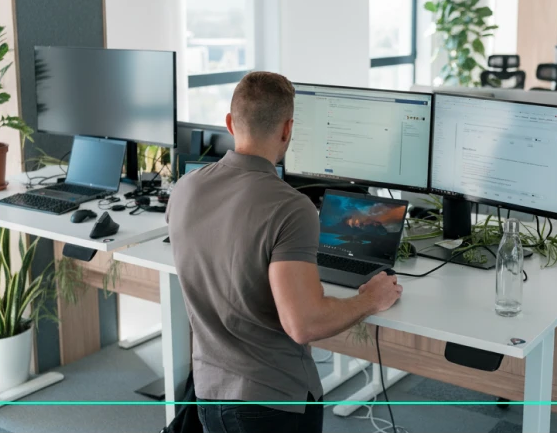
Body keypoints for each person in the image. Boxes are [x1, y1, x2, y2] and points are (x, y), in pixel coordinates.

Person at [167, 72, 403, 438]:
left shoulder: (185, 188)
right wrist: (370, 299)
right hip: (272, 403)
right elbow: (304, 324)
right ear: (288, 129)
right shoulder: (291, 208)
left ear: (230, 123)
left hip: (209, 396)